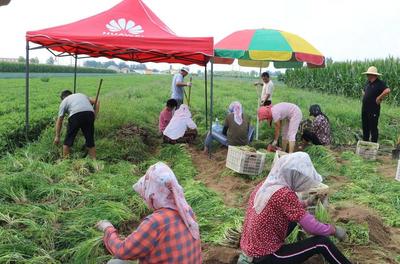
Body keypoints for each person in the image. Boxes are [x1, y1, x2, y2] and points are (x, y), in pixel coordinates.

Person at [238, 152, 351, 264]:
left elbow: (286, 207)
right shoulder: (284, 194)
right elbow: (312, 228)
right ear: (293, 175)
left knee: (293, 221)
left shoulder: (266, 185)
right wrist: (334, 230)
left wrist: (307, 202)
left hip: (250, 249)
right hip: (266, 256)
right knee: (322, 243)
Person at [96, 162, 202, 264]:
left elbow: (122, 251)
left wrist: (108, 229)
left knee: (115, 262)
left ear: (153, 195)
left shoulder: (156, 222)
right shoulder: (187, 211)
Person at [54, 90, 99, 159]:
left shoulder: (64, 101)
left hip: (75, 115)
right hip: (89, 114)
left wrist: (57, 136)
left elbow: (59, 120)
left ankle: (66, 163)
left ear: (62, 98)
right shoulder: (81, 94)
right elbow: (97, 101)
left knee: (67, 143)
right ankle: (95, 163)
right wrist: (94, 116)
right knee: (90, 142)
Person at [361, 66, 391, 143]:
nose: (367, 76)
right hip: (365, 108)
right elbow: (364, 91)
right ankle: (365, 142)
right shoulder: (368, 83)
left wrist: (379, 98)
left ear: (373, 75)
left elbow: (387, 90)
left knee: (373, 127)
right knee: (365, 126)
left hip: (373, 109)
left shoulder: (380, 83)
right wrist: (365, 95)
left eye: (368, 74)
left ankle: (373, 144)